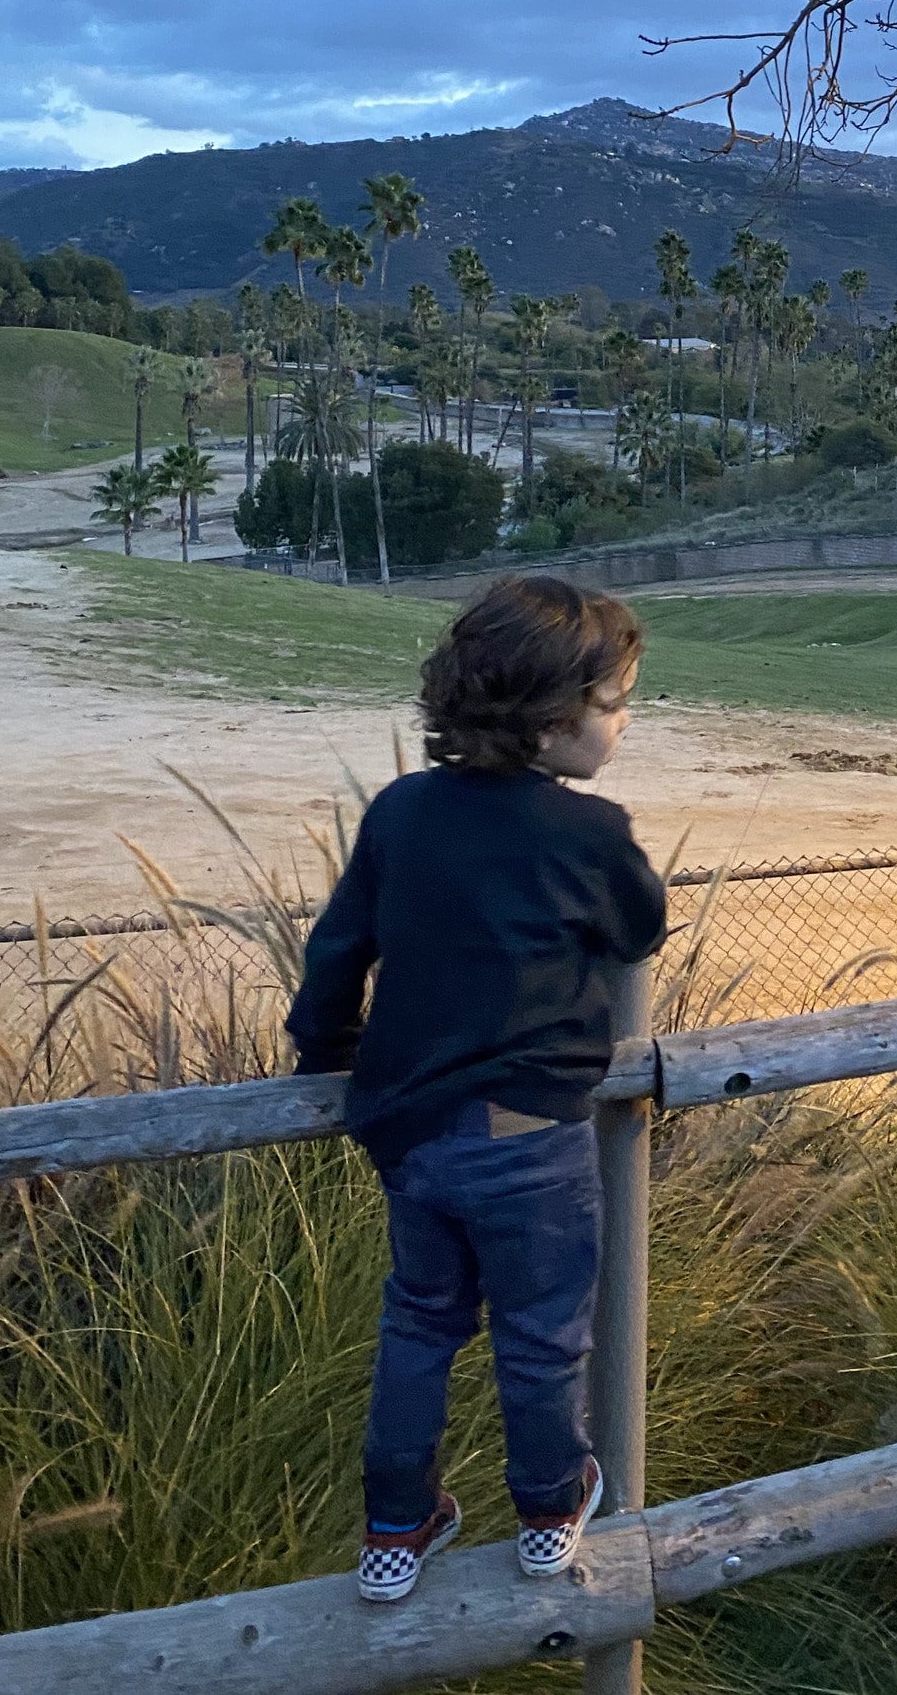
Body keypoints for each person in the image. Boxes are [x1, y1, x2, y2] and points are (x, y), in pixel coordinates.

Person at [286, 575, 667, 1603]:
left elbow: (337, 950)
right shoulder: (588, 834)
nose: (622, 724)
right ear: (551, 724)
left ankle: (395, 1528)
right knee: (541, 1334)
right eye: (614, 703)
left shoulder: (405, 810)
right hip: (529, 1139)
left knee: (418, 1323)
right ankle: (550, 1503)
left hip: (407, 1133)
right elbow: (638, 928)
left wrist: (321, 1049)